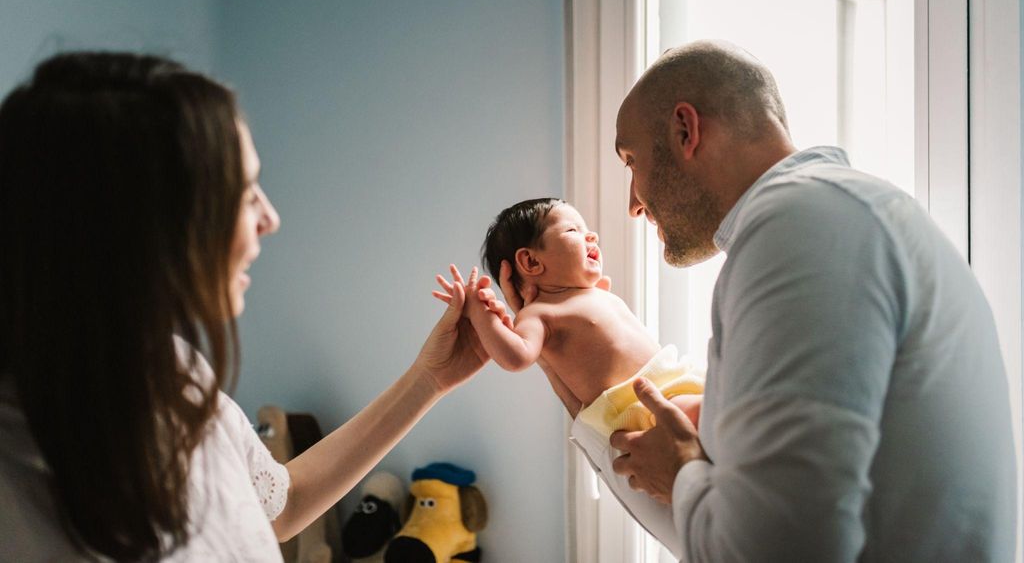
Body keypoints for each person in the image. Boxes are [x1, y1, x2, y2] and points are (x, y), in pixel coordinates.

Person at [0, 52, 489, 561]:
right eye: (241, 191)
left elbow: (282, 504)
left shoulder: (175, 371)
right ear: (148, 219)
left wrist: (428, 380)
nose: (270, 218)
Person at [589, 39, 1016, 560]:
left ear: (685, 130)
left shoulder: (800, 224)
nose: (634, 203)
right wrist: (727, 423)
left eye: (631, 161)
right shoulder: (843, 214)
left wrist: (681, 471)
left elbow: (780, 549)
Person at [435, 197, 703, 436]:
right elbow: (515, 357)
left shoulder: (591, 293)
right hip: (639, 407)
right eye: (574, 230)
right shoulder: (539, 314)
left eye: (587, 229)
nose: (592, 236)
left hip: (674, 379)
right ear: (530, 262)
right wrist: (481, 315)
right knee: (708, 414)